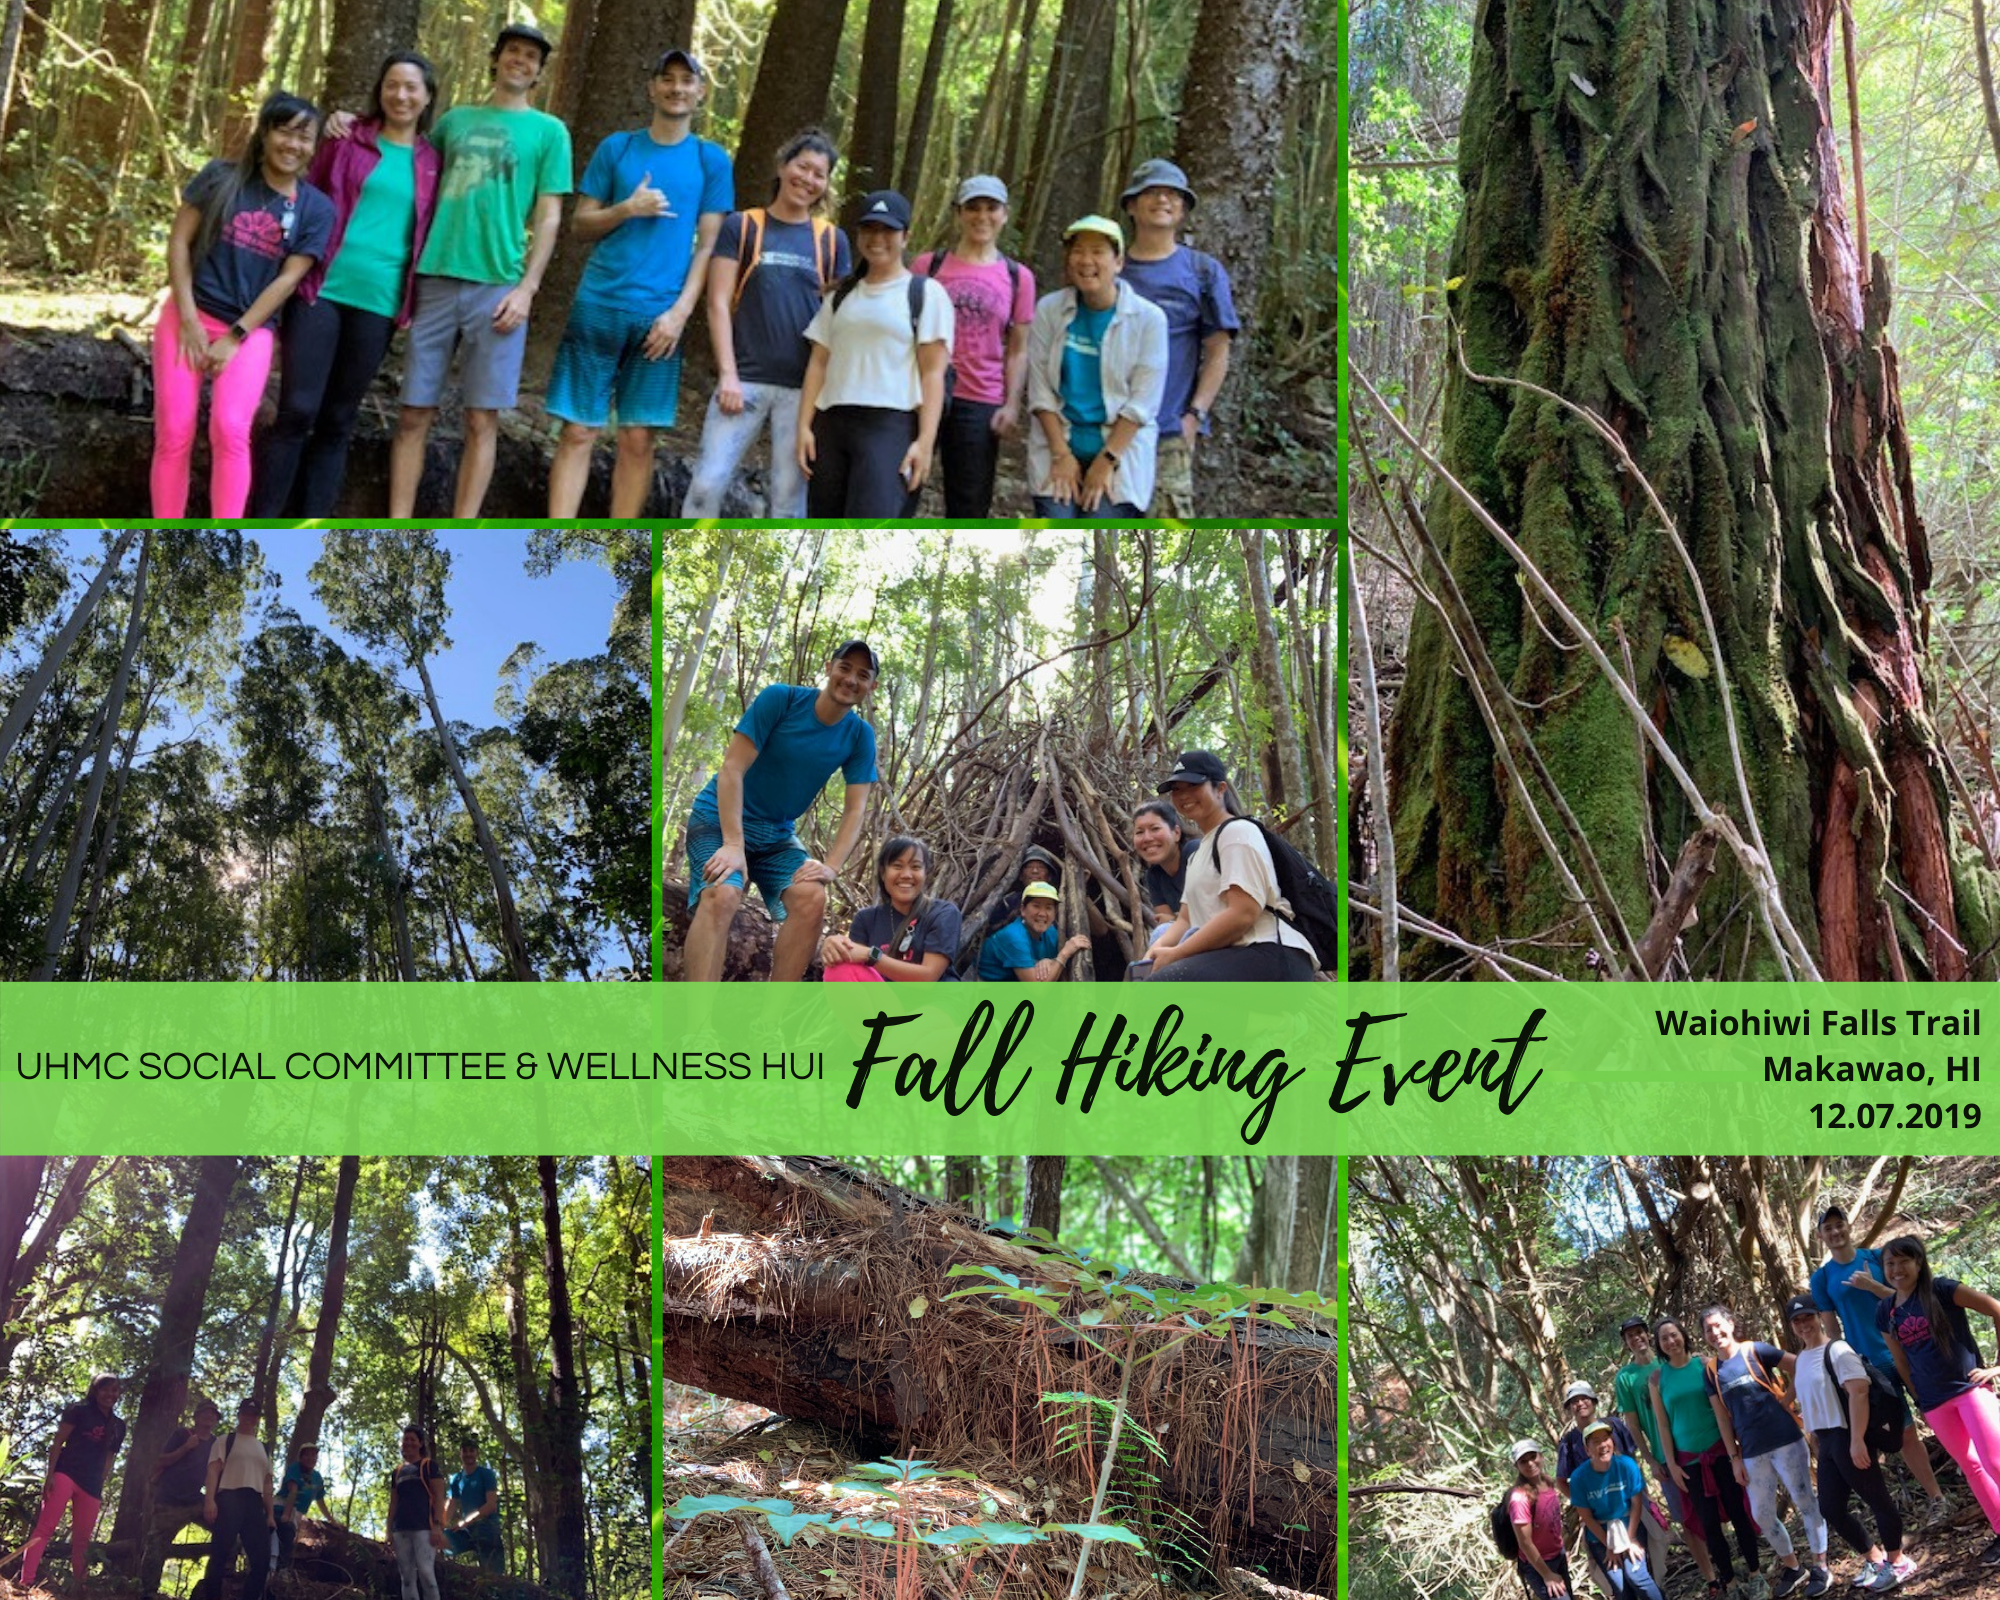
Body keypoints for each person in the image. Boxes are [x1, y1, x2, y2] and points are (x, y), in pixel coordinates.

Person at [386, 23, 572, 518]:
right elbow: (404, 155)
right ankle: (396, 528)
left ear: (538, 71)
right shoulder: (454, 122)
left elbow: (550, 214)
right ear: (496, 59)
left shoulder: (550, 132)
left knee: (481, 418)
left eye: (531, 56)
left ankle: (462, 529)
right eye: (512, 51)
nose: (520, 61)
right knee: (412, 414)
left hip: (499, 288)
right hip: (437, 277)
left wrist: (528, 289)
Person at [251, 53, 440, 516]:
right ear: (380, 89)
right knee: (297, 409)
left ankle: (308, 529)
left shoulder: (434, 160)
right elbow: (306, 195)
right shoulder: (345, 137)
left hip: (379, 300)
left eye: (412, 88)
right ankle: (261, 524)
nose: (401, 95)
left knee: (338, 418)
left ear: (428, 97)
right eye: (392, 85)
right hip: (321, 288)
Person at [547, 48, 732, 517]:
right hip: (600, 302)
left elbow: (709, 246)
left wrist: (678, 314)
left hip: (660, 316)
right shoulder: (618, 148)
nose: (676, 88)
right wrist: (626, 208)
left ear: (701, 92)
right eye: (666, 79)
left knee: (637, 437)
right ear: (651, 88)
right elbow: (581, 224)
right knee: (577, 431)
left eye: (686, 80)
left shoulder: (710, 160)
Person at [152, 93, 335, 517]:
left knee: (231, 429)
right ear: (265, 133)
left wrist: (236, 336)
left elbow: (290, 278)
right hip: (187, 317)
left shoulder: (316, 208)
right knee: (174, 432)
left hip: (249, 332)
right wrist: (189, 319)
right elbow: (179, 242)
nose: (293, 144)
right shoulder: (220, 177)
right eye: (284, 131)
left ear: (314, 145)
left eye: (304, 137)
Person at [682, 641, 879, 983]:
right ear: (829, 667)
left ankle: (768, 1028)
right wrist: (732, 844)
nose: (851, 679)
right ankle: (696, 1033)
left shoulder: (860, 736)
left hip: (775, 834)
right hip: (719, 817)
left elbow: (855, 810)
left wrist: (831, 866)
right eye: (845, 668)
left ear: (871, 686)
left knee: (811, 898)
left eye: (862, 675)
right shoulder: (782, 699)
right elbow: (731, 769)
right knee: (722, 891)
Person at [683, 130, 848, 518]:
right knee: (707, 484)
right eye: (802, 166)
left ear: (825, 184)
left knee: (789, 500)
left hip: (802, 390)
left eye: (819, 174)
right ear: (782, 166)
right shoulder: (742, 227)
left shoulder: (831, 240)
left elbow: (836, 320)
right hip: (744, 380)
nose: (808, 179)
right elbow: (718, 302)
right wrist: (727, 375)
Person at [798, 189, 953, 517]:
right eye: (869, 229)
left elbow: (933, 373)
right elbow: (819, 362)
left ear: (906, 236)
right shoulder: (840, 296)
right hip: (831, 423)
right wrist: (803, 427)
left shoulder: (925, 294)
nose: (877, 238)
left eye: (888, 230)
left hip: (889, 426)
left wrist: (924, 442)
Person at [1810, 1204, 1950, 1523]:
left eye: (1839, 1224)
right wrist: (1841, 1370)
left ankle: (1975, 1468)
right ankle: (1937, 1498)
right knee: (1906, 1432)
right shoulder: (1822, 1278)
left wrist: (1872, 1286)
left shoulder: (1877, 1258)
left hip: (1909, 1350)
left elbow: (1905, 1297)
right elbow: (1832, 1330)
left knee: (1940, 1411)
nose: (1835, 1232)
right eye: (1827, 1228)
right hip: (1870, 1365)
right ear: (1821, 1236)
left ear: (1848, 1226)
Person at [1117, 157, 1239, 519]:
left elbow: (1218, 351)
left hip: (1169, 430)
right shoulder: (1110, 267)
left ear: (1183, 208)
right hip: (1106, 427)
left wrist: (1194, 416)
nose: (1162, 201)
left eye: (1172, 194)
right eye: (1151, 193)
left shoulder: (1201, 271)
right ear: (1132, 205)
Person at [1025, 215, 1167, 519]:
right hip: (1059, 445)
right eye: (1078, 251)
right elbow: (1039, 391)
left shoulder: (1149, 320)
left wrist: (1107, 460)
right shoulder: (1050, 310)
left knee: (1102, 532)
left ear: (1118, 262)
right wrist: (1061, 454)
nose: (1086, 260)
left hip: (1121, 452)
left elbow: (1143, 402)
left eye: (1098, 251)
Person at [1871, 1236, 2000, 1567]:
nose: (1897, 1269)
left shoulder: (1942, 1290)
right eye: (1890, 1263)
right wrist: (1920, 1401)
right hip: (1934, 1402)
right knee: (1971, 1466)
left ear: (1918, 1262)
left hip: (1969, 1389)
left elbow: (1995, 1308)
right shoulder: (1885, 1311)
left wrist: (1997, 1367)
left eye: (1904, 1261)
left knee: (1994, 1460)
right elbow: (1901, 1361)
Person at [911, 176, 1034, 516]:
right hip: (921, 392)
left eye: (991, 208)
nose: (982, 216)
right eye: (973, 208)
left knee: (969, 505)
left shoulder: (1017, 277)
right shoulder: (927, 266)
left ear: (1005, 214)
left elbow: (1018, 349)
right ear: (959, 214)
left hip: (980, 400)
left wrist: (1011, 404)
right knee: (899, 486)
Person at [1144, 751, 1318, 981]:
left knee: (1164, 982)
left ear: (1220, 789)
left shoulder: (1237, 833)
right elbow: (1185, 920)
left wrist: (1177, 954)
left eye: (1193, 785)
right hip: (1236, 957)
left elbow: (1243, 913)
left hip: (1272, 955)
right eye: (1177, 789)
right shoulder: (1200, 852)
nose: (1184, 795)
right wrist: (1151, 956)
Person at [1700, 1303, 1830, 1598]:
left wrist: (1788, 1400)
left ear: (1731, 1324)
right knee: (1761, 1514)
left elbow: (1800, 1364)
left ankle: (1820, 1565)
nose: (1715, 1332)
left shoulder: (1755, 1350)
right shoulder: (1711, 1371)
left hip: (1785, 1439)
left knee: (1805, 1500)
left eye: (1719, 1325)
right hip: (1751, 1451)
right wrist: (1734, 1457)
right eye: (1709, 1329)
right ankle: (1794, 1567)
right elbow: (1722, 1416)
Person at [1786, 1293, 1914, 1592]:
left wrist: (1857, 1440)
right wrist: (1817, 1444)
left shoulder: (1838, 1349)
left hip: (1847, 1433)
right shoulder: (1803, 1358)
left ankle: (1898, 1561)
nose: (1803, 1324)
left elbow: (1858, 1392)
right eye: (1796, 1320)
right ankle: (1875, 1558)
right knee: (1830, 1507)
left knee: (1877, 1499)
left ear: (1819, 1316)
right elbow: (1811, 1403)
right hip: (1827, 1440)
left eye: (1807, 1317)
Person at [1649, 1316, 1760, 1600]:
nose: (1671, 1341)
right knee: (1709, 1524)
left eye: (1674, 1335)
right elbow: (1663, 1424)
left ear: (1683, 1336)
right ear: (1659, 1345)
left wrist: (1736, 1448)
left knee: (1738, 1513)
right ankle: (1730, 1583)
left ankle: (1756, 1573)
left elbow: (1724, 1405)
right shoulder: (1658, 1378)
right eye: (1664, 1338)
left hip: (1720, 1451)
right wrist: (1672, 1463)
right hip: (1689, 1462)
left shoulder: (1703, 1364)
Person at [1614, 1314, 1712, 1589]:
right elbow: (1632, 1424)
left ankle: (1729, 1566)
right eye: (1630, 1336)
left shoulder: (1666, 1362)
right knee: (1687, 1519)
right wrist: (1650, 1460)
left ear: (1648, 1335)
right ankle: (1710, 1577)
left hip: (1695, 1448)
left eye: (1640, 1333)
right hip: (1664, 1458)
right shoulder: (1626, 1378)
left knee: (1713, 1511)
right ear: (1626, 1342)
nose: (1636, 1339)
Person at [10, 1372, 125, 1592]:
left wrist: (101, 1480)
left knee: (82, 1542)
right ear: (95, 1390)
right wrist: (49, 1475)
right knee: (45, 1528)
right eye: (105, 1389)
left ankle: (80, 1589)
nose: (110, 1394)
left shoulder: (119, 1426)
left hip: (91, 1486)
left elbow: (109, 1458)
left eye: (114, 1390)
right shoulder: (78, 1411)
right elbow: (58, 1442)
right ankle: (26, 1582)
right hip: (66, 1474)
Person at [821, 836, 962, 981]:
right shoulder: (866, 920)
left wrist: (871, 955)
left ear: (926, 873)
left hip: (936, 1000)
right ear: (883, 873)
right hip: (887, 1000)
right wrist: (834, 946)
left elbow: (928, 977)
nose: (906, 875)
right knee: (840, 966)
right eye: (897, 866)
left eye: (916, 867)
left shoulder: (943, 913)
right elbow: (853, 963)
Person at [1568, 1421, 1669, 1600]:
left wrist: (1629, 1540)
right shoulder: (1579, 1478)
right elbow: (1587, 1518)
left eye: (1606, 1439)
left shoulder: (1626, 1465)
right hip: (1600, 1536)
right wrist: (1611, 1546)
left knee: (1638, 1578)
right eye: (1596, 1442)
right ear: (1587, 1449)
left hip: (1630, 1527)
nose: (1603, 1445)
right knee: (1621, 1589)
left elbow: (1636, 1504)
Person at [141, 1396, 220, 1595]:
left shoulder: (216, 1444)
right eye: (205, 1413)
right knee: (156, 1545)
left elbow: (213, 1474)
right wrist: (186, 1448)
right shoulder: (182, 1434)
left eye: (213, 1414)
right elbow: (161, 1461)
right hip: (169, 1501)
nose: (209, 1417)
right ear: (196, 1416)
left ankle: (212, 1587)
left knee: (227, 1532)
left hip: (196, 1501)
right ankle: (148, 1593)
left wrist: (212, 1499)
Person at [203, 1399, 275, 1600]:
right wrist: (210, 1500)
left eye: (253, 1414)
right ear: (239, 1414)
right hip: (229, 1498)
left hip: (254, 1502)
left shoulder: (263, 1448)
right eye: (245, 1413)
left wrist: (269, 1514)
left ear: (257, 1418)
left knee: (261, 1560)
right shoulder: (225, 1440)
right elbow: (213, 1470)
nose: (248, 1418)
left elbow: (267, 1483)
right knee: (220, 1554)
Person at [976, 880, 1090, 981]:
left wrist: (1048, 961)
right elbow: (1037, 991)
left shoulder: (1050, 932)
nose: (1042, 913)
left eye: (1048, 907)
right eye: (1036, 906)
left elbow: (1053, 965)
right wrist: (1064, 954)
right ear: (1023, 910)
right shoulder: (1013, 936)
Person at [1505, 1438, 1572, 1599]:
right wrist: (1547, 1575)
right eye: (1523, 1461)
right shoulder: (1520, 1498)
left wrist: (1561, 1548)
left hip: (1557, 1556)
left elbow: (1553, 1520)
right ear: (1517, 1466)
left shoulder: (1547, 1483)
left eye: (1532, 1456)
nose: (1530, 1463)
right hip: (1539, 1566)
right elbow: (1525, 1543)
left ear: (1541, 1456)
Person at [387, 1426, 445, 1600]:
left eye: (413, 1439)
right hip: (401, 1529)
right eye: (406, 1439)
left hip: (424, 1528)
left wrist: (437, 1526)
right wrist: (388, 1530)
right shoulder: (397, 1472)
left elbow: (439, 1497)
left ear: (420, 1443)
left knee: (427, 1573)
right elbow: (394, 1502)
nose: (408, 1443)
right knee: (406, 1577)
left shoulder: (428, 1466)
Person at [1131, 798, 1198, 934]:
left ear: (1176, 833)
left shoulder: (1194, 852)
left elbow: (1210, 911)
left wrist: (1174, 919)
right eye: (1139, 832)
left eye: (1155, 829)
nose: (1147, 838)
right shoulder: (1154, 875)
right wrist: (1175, 920)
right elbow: (1167, 921)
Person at [445, 1441, 502, 1572]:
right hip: (467, 1531)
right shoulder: (456, 1479)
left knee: (493, 1575)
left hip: (487, 1528)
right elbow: (451, 1504)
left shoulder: (486, 1474)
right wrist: (439, 1525)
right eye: (465, 1451)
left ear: (477, 1453)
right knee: (440, 1538)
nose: (468, 1454)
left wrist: (465, 1522)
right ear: (460, 1453)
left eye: (472, 1450)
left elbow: (491, 1505)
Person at [276, 1440, 332, 1569]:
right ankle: (278, 1568)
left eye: (314, 1456)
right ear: (301, 1457)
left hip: (298, 1513)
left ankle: (282, 1569)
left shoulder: (317, 1477)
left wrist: (331, 1520)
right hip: (282, 1507)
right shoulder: (295, 1469)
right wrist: (286, 1515)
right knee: (283, 1535)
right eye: (307, 1455)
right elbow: (292, 1491)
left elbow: (320, 1500)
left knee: (289, 1539)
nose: (310, 1458)